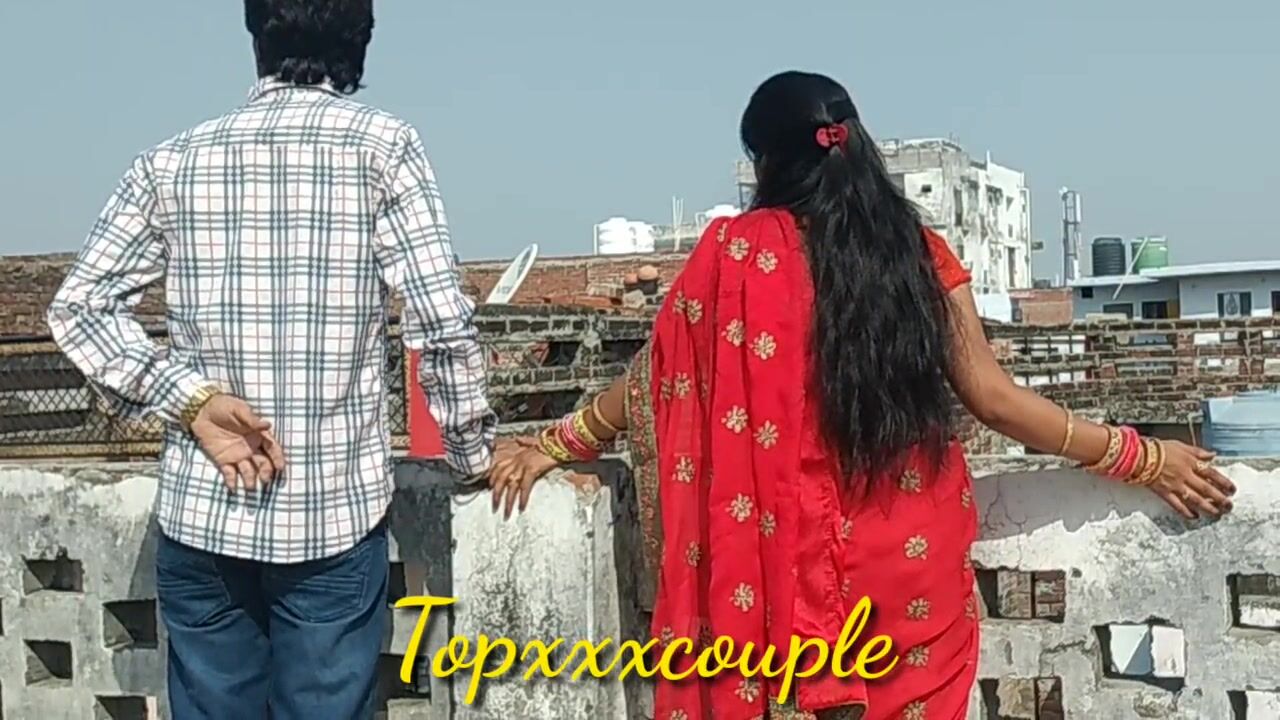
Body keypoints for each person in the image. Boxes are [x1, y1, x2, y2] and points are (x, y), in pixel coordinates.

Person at [488, 71, 1235, 720]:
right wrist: (1143, 457)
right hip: (909, 571)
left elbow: (658, 378)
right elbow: (993, 397)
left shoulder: (734, 257)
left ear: (767, 163)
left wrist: (555, 443)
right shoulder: (916, 252)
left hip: (781, 578)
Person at [46, 1, 497, 717]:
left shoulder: (172, 160)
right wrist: (473, 455)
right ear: (360, 42)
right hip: (332, 521)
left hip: (204, 515)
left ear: (256, 35)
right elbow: (441, 321)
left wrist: (190, 399)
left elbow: (79, 309)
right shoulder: (383, 148)